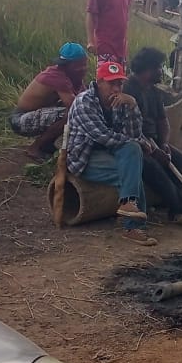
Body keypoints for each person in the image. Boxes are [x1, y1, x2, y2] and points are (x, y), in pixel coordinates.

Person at [65, 60, 156, 246]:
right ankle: (133, 226)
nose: (116, 88)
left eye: (119, 83)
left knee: (132, 153)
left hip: (110, 154)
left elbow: (133, 134)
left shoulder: (121, 101)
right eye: (111, 83)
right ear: (99, 82)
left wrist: (132, 105)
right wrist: (137, 141)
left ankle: (128, 208)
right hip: (85, 158)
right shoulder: (84, 103)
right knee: (132, 167)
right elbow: (104, 137)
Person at [124, 47, 182, 226]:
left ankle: (175, 209)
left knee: (180, 160)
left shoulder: (152, 90)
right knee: (154, 167)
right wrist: (152, 149)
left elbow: (162, 120)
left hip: (154, 142)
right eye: (159, 67)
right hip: (135, 144)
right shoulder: (128, 90)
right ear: (147, 69)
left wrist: (164, 143)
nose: (161, 71)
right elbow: (129, 130)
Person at [9, 43, 87, 162]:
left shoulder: (71, 75)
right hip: (20, 120)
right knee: (70, 114)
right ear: (68, 64)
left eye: (84, 64)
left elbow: (83, 96)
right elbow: (76, 106)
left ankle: (47, 145)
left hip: (34, 114)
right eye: (79, 65)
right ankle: (35, 147)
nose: (82, 68)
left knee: (71, 112)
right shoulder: (57, 76)